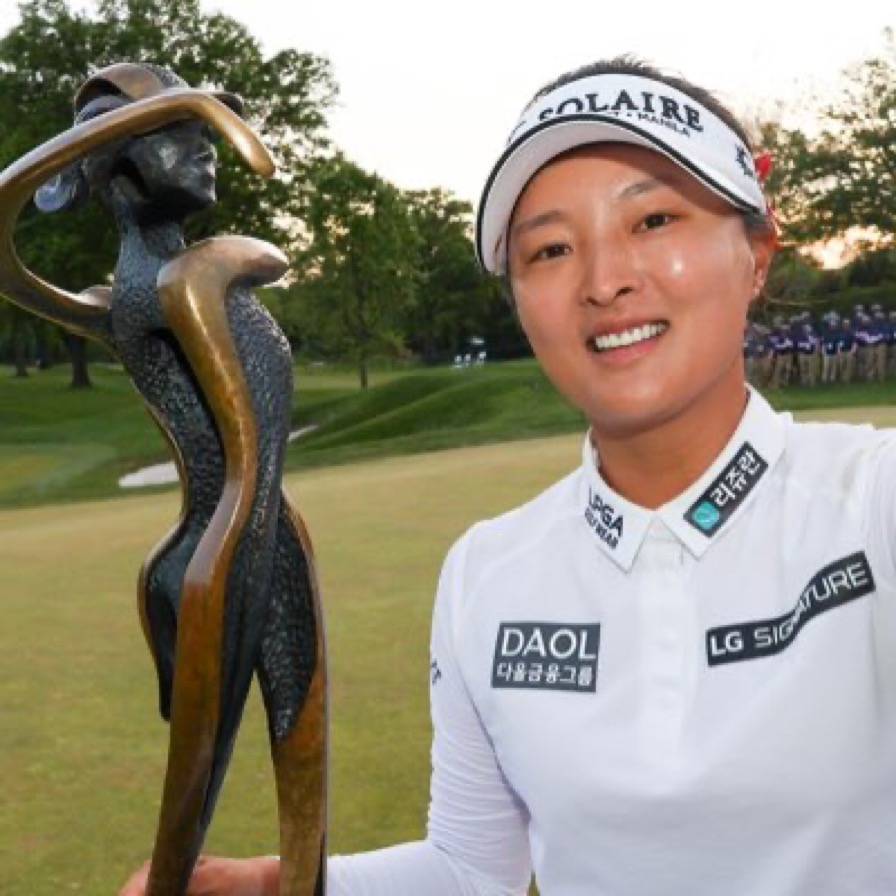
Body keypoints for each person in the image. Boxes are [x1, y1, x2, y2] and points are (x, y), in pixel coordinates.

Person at [121, 56, 896, 896]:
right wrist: (277, 887)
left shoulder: (872, 503)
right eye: (551, 248)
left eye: (655, 220)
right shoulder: (486, 573)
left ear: (757, 252)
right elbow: (471, 871)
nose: (605, 282)